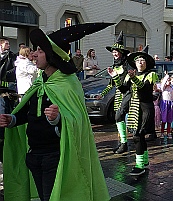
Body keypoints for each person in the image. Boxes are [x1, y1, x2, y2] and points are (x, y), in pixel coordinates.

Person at [0, 23, 112, 201]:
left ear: (52, 56)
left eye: (40, 51)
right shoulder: (40, 82)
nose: (34, 54)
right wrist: (12, 119)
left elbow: (77, 121)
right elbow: (29, 111)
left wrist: (58, 118)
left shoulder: (67, 84)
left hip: (55, 157)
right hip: (34, 154)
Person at [124, 45, 157, 176]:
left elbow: (145, 89)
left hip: (146, 108)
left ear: (146, 63)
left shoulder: (151, 74)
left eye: (142, 60)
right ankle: (145, 162)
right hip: (134, 108)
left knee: (138, 136)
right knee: (139, 136)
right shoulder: (131, 74)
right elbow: (123, 89)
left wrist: (134, 79)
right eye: (138, 61)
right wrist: (115, 76)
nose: (140, 63)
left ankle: (139, 165)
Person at [101, 31, 132, 154]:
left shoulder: (127, 66)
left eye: (116, 51)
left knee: (120, 116)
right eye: (113, 52)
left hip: (128, 93)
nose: (114, 53)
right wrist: (102, 94)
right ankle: (121, 143)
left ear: (121, 53)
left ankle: (125, 143)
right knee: (118, 118)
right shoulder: (114, 66)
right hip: (118, 95)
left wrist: (115, 77)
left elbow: (124, 86)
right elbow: (111, 84)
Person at [160, 73, 173, 139]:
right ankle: (162, 132)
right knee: (164, 120)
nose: (169, 82)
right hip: (164, 105)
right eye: (168, 80)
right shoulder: (163, 88)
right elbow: (162, 84)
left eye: (169, 80)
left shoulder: (171, 89)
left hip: (170, 105)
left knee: (169, 120)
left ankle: (168, 132)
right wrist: (166, 76)